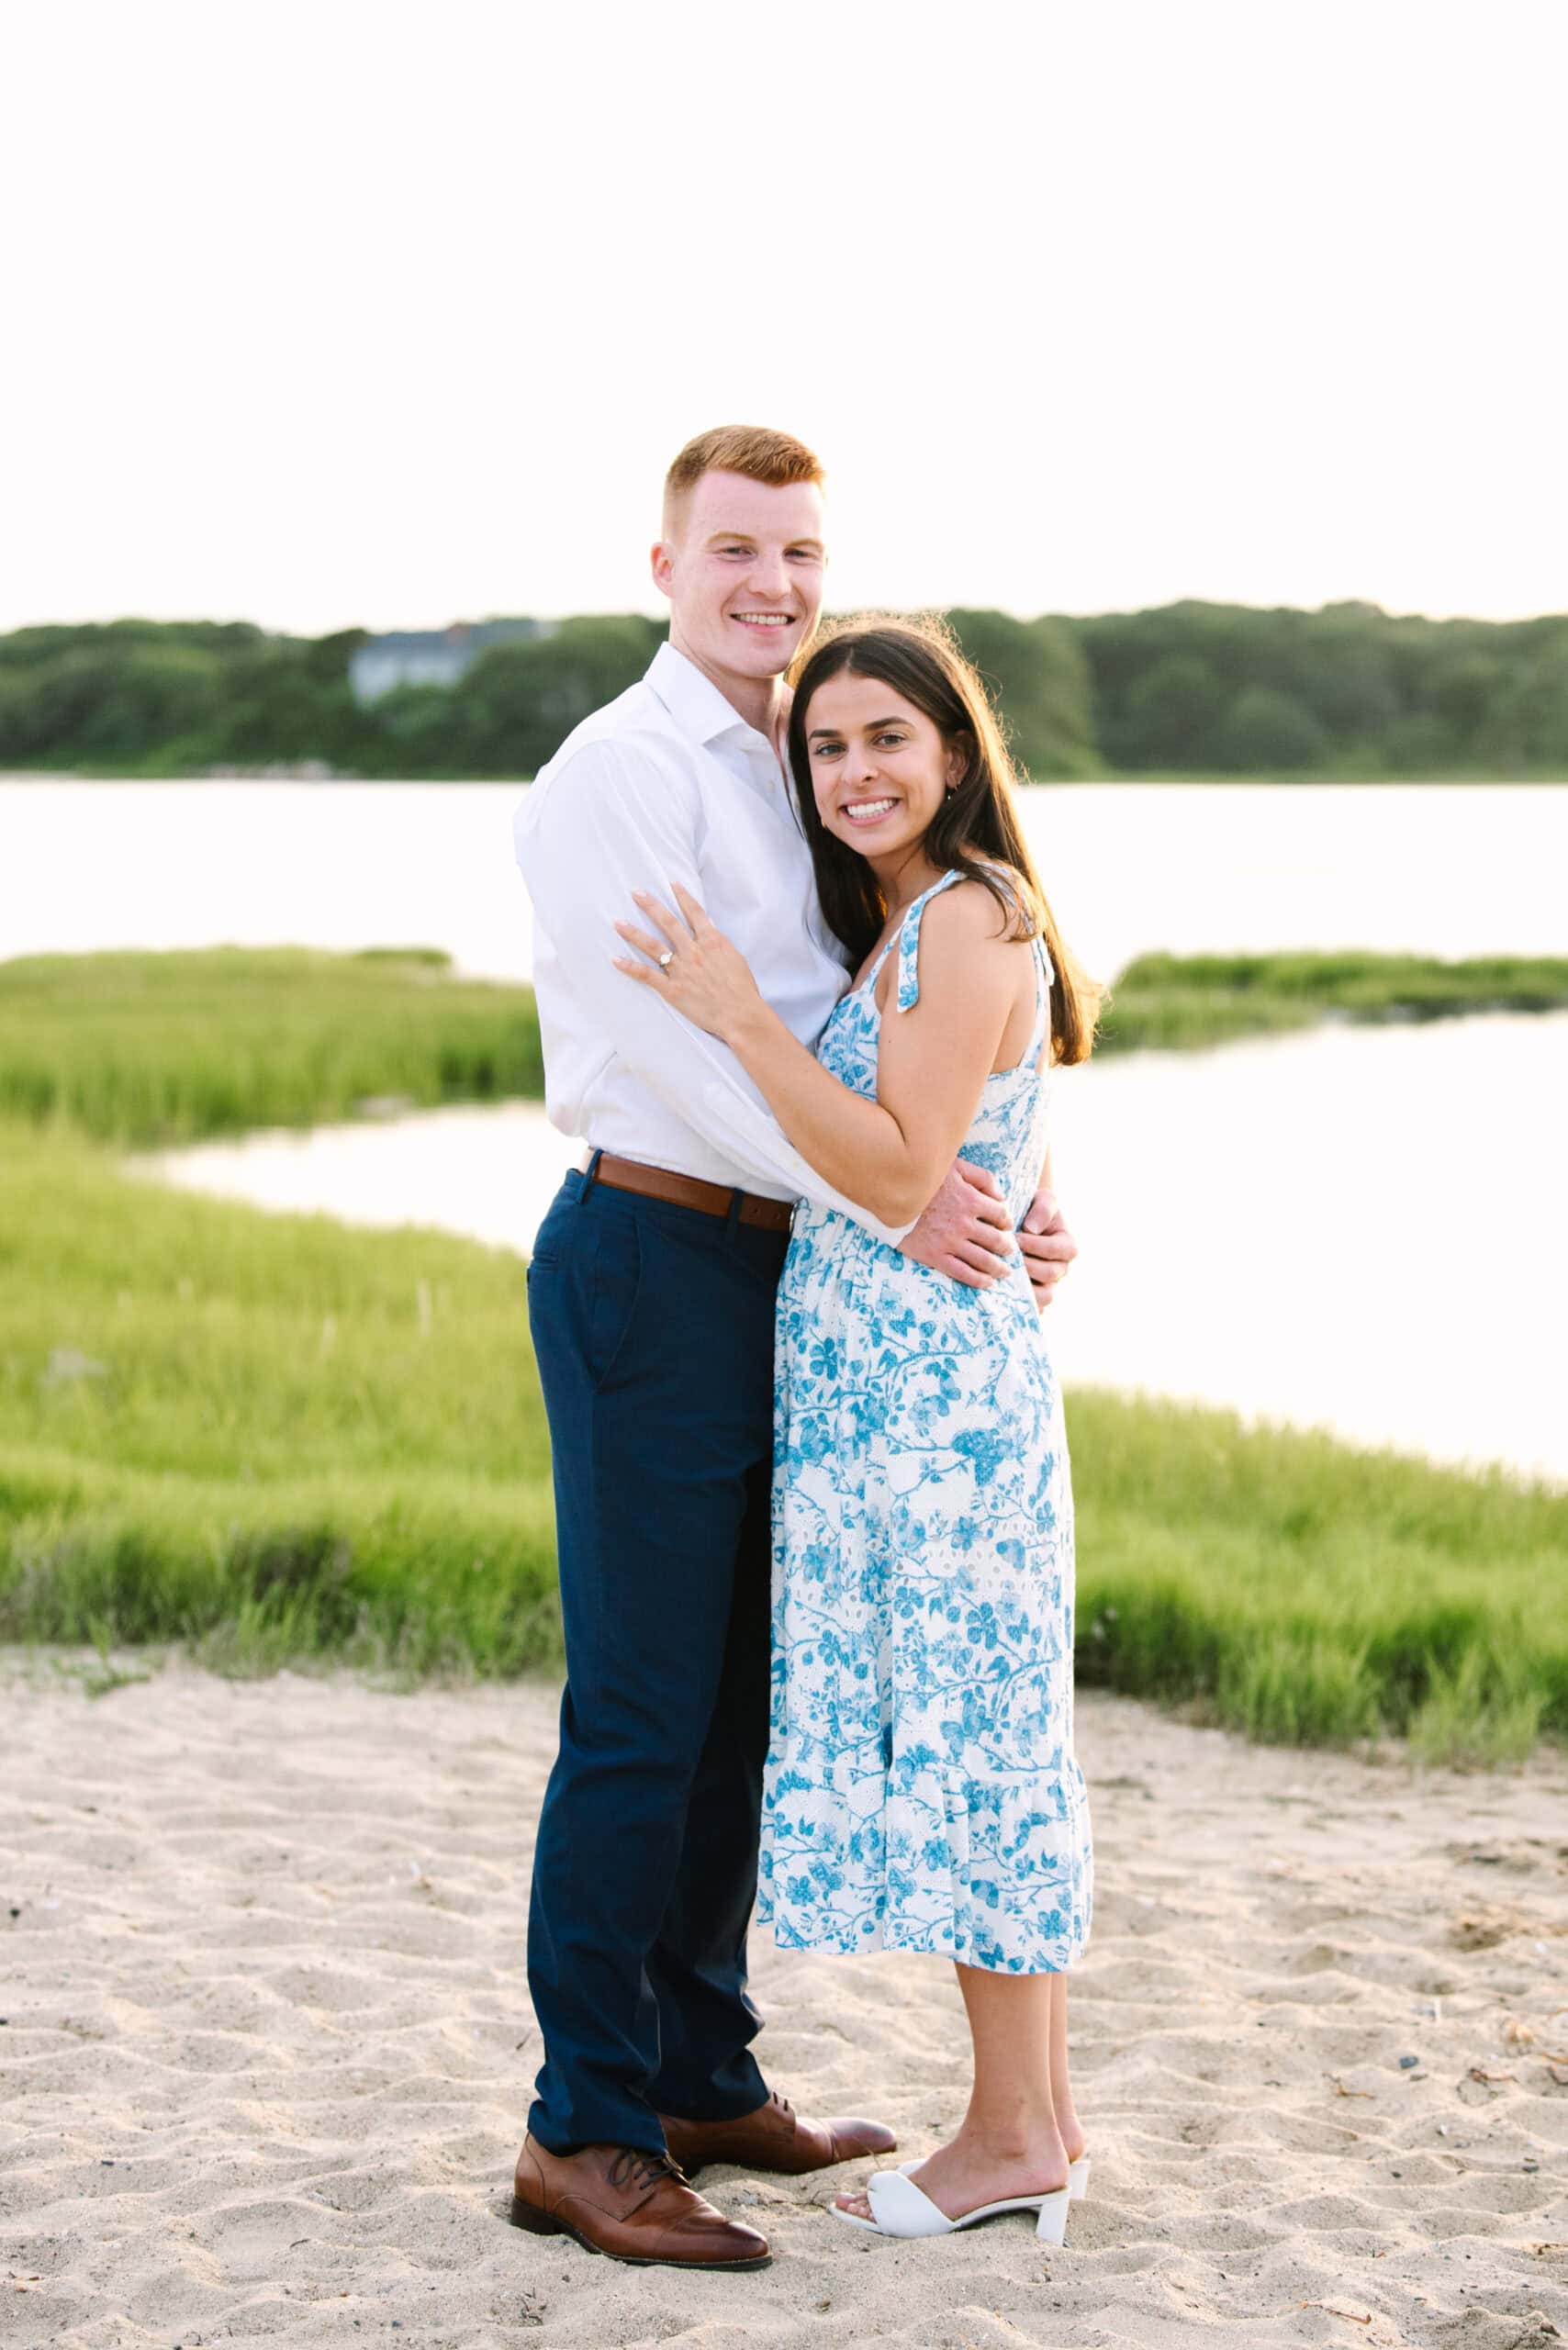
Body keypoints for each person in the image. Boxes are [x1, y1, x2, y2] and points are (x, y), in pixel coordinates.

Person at [510, 427, 1080, 2273]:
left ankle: (697, 2068)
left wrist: (1002, 1180)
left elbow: (911, 1030)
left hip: (788, 1280)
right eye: (734, 548)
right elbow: (677, 1047)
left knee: (737, 1705)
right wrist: (896, 1194)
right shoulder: (617, 771)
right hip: (653, 1249)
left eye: (797, 551)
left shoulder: (801, 758)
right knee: (638, 1710)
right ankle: (584, 2124)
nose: (769, 580)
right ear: (664, 565)